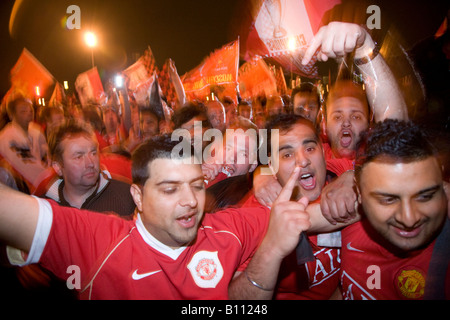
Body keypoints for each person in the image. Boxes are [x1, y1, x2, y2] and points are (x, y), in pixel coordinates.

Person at [0, 134, 317, 299]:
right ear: (137, 196)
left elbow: (312, 217)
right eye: (169, 190)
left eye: (196, 186)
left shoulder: (226, 227)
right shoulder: (99, 241)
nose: (190, 201)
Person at [338, 119, 449, 300]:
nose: (409, 218)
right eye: (388, 200)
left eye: (425, 196)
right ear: (359, 193)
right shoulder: (347, 225)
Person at [237, 113, 345, 299]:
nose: (303, 160)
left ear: (323, 151)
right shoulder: (255, 214)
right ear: (272, 165)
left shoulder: (339, 180)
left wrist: (352, 177)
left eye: (310, 148)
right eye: (287, 154)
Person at [44, 120, 135, 216]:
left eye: (94, 153)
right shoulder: (44, 210)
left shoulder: (127, 197)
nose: (90, 163)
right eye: (79, 157)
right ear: (58, 167)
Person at [0, 93, 48, 191]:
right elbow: (25, 165)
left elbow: (45, 153)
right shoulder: (7, 137)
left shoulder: (36, 130)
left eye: (31, 109)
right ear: (12, 115)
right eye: (23, 111)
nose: (29, 113)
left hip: (40, 181)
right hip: (18, 188)